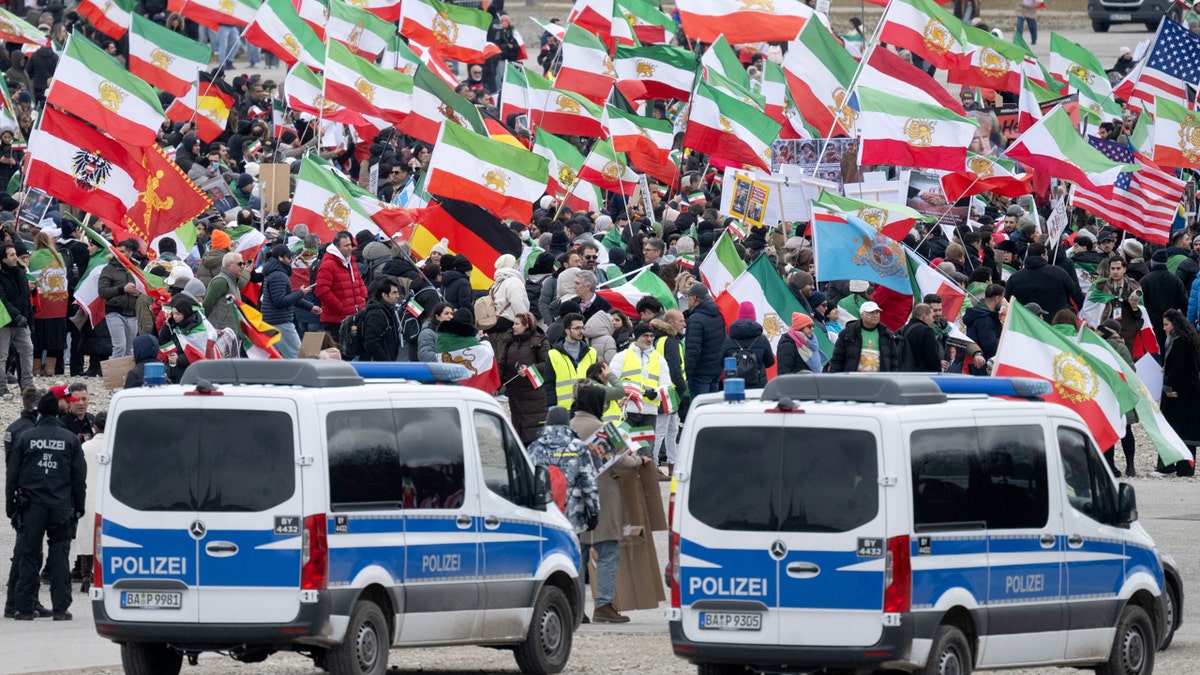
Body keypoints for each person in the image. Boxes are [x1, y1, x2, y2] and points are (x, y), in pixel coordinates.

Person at [6, 391, 86, 620]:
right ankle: (61, 608)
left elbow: (12, 474)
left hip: (31, 507)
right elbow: (79, 478)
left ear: (39, 411)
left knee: (30, 555)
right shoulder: (70, 439)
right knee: (60, 556)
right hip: (61, 506)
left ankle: (24, 607)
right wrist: (79, 507)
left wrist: (10, 505)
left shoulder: (26, 437)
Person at [570, 386, 644, 624]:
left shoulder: (569, 427)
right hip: (601, 496)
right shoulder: (601, 429)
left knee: (577, 554)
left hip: (573, 499)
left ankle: (574, 607)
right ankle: (603, 605)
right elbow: (623, 461)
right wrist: (640, 459)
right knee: (608, 550)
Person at [3, 386, 50, 619]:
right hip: (32, 498)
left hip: (19, 496)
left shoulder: (12, 429)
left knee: (22, 551)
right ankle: (22, 601)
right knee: (30, 554)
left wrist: (9, 502)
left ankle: (18, 600)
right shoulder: (33, 431)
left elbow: (10, 470)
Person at [525, 406, 599, 534]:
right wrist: (593, 513)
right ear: (567, 423)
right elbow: (589, 483)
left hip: (543, 516)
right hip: (572, 517)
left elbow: (526, 481)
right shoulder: (579, 448)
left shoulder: (534, 448)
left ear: (547, 422)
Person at [609, 323, 671, 458]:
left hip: (648, 413)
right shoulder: (622, 356)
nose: (649, 339)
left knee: (646, 455)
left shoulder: (659, 359)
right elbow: (611, 382)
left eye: (651, 336)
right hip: (626, 413)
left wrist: (656, 394)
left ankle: (643, 479)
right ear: (636, 337)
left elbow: (666, 386)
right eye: (645, 336)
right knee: (621, 452)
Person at [1155, 309, 1200, 477]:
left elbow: (1179, 367)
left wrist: (1168, 386)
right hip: (1189, 391)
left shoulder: (1179, 341)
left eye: (1167, 324)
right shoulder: (1188, 339)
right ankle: (1185, 468)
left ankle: (1168, 466)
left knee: (1174, 428)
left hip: (1180, 392)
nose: (1164, 328)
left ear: (1175, 324)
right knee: (1184, 431)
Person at [261, 244, 320, 359]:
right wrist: (301, 293)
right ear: (280, 258)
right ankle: (302, 377)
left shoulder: (274, 273)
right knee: (297, 358)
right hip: (281, 322)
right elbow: (280, 301)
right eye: (289, 257)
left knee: (273, 358)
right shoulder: (279, 275)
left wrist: (310, 306)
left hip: (273, 321)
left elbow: (285, 297)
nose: (291, 259)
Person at [500, 312, 550, 444]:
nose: (513, 327)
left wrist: (529, 369)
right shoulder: (510, 342)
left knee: (532, 427)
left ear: (526, 325)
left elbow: (547, 364)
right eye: (513, 324)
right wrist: (497, 384)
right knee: (517, 424)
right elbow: (502, 365)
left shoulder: (540, 342)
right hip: (514, 393)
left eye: (517, 324)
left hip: (533, 394)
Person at [1004, 243, 1084, 318]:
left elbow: (1008, 300)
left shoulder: (1015, 278)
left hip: (1026, 323)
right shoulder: (1059, 272)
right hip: (1055, 321)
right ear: (1043, 255)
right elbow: (1073, 289)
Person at [316, 231, 368, 344]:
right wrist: (340, 308)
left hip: (353, 317)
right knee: (338, 353)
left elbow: (359, 280)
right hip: (336, 320)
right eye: (346, 246)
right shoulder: (328, 265)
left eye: (350, 245)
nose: (350, 248)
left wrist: (363, 296)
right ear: (337, 248)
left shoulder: (351, 262)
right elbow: (321, 290)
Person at [75, 411, 105, 592]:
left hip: (87, 497)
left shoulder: (85, 447)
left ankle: (86, 576)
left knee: (86, 538)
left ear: (94, 427)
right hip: (107, 500)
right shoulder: (115, 446)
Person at [545, 312, 598, 410]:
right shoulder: (553, 354)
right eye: (577, 328)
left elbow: (597, 380)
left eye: (582, 328)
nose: (581, 331)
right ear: (567, 331)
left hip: (587, 407)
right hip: (564, 409)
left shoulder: (592, 353)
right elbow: (549, 383)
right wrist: (551, 406)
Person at [0, 243, 34, 395]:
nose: (16, 258)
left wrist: (28, 318)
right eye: (12, 255)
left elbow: (25, 298)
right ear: (3, 258)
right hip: (4, 321)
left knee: (27, 350)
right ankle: (1, 387)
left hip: (21, 321)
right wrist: (17, 315)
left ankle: (27, 385)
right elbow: (3, 299)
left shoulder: (20, 272)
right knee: (2, 356)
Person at [829, 301, 899, 372]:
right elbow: (837, 359)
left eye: (877, 312)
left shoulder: (887, 335)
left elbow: (894, 361)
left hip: (879, 381)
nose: (875, 315)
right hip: (854, 380)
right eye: (871, 313)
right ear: (862, 315)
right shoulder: (848, 334)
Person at [682, 284, 726, 395]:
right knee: (711, 408)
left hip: (700, 373)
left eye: (688, 296)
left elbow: (693, 350)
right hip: (715, 371)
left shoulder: (696, 319)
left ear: (695, 298)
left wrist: (686, 374)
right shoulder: (718, 314)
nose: (687, 299)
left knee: (699, 407)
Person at [722, 301, 775, 386]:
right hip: (758, 384)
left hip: (735, 386)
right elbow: (770, 362)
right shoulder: (762, 340)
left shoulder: (729, 340)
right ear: (754, 317)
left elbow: (722, 362)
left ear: (739, 316)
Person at [201, 252, 246, 342]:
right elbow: (206, 306)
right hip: (219, 334)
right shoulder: (221, 281)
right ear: (228, 265)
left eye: (244, 264)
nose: (243, 267)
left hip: (229, 334)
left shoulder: (233, 281)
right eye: (240, 264)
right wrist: (209, 330)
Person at [360, 277, 402, 362]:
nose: (397, 296)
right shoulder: (376, 314)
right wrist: (384, 361)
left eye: (397, 292)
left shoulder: (388, 310)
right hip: (377, 367)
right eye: (394, 293)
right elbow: (371, 342)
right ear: (384, 295)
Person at [964, 284, 1006, 359]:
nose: (1003, 301)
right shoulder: (984, 319)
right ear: (997, 298)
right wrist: (1006, 338)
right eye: (1002, 298)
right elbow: (991, 346)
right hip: (984, 364)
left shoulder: (980, 313)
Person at [898, 304, 943, 372]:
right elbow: (932, 357)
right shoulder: (927, 331)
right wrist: (938, 371)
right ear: (924, 317)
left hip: (904, 372)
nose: (933, 320)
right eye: (931, 316)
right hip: (923, 375)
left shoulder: (903, 329)